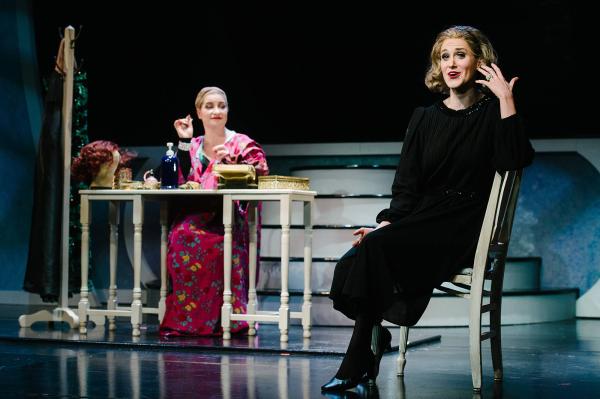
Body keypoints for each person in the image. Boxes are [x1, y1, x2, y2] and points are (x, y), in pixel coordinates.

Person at [321, 25, 535, 392]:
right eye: (444, 56)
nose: (451, 63)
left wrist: (506, 101)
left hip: (464, 223)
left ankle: (358, 359)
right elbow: (406, 184)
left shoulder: (492, 113)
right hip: (423, 218)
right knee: (353, 261)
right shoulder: (423, 117)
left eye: (460, 55)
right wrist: (388, 223)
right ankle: (373, 343)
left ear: (479, 62)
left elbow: (514, 160)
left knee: (370, 254)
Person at [157, 86, 269, 336]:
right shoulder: (193, 144)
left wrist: (233, 164)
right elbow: (173, 174)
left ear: (228, 111)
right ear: (198, 112)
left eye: (222, 105)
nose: (216, 111)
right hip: (194, 218)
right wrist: (184, 140)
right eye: (209, 106)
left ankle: (225, 319)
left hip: (229, 219)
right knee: (181, 236)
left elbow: (260, 172)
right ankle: (187, 322)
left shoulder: (242, 143)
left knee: (216, 247)